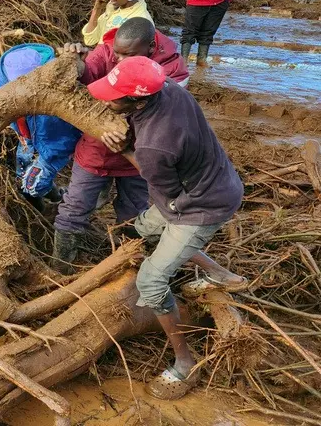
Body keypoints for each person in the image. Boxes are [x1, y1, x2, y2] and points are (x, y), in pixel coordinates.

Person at [88, 55, 247, 400]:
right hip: (216, 179)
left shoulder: (153, 147)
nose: (105, 99)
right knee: (145, 229)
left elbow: (165, 191)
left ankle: (184, 363)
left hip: (201, 205)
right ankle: (221, 274)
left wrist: (125, 146)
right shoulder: (171, 88)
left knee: (151, 279)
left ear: (137, 99)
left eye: (113, 96)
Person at [53, 17, 189, 273]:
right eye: (117, 52)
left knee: (133, 215)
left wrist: (129, 137)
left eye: (127, 55)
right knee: (73, 210)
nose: (118, 59)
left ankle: (125, 268)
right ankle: (61, 270)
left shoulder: (171, 70)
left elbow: (168, 118)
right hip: (96, 151)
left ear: (150, 48)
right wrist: (74, 62)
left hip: (139, 159)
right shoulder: (107, 51)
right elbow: (87, 73)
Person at [0, 44, 82, 211]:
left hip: (53, 145)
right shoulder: (7, 70)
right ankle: (51, 194)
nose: (16, 92)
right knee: (22, 170)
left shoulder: (55, 89)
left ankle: (58, 199)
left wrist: (48, 158)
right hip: (26, 137)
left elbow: (66, 136)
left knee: (32, 186)